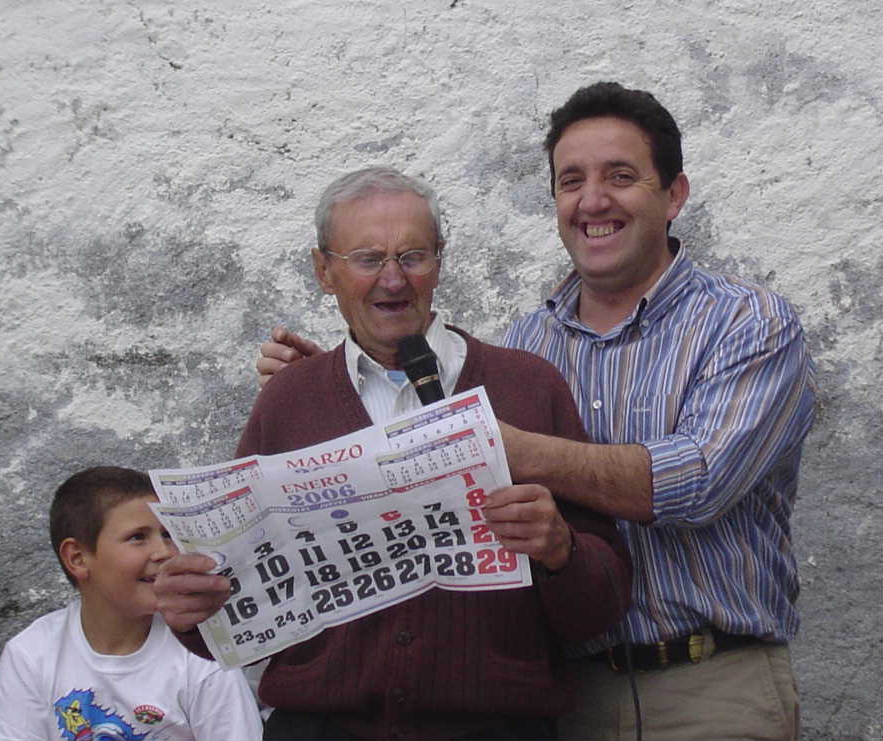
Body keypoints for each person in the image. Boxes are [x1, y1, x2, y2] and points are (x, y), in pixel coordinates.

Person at [255, 84, 816, 741]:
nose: (592, 199)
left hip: (705, 685)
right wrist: (350, 387)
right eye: (570, 180)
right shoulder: (524, 348)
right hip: (567, 696)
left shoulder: (746, 321)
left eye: (620, 176)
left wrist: (502, 446)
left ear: (673, 194)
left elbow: (697, 480)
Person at [154, 167, 632, 741]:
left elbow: (603, 603)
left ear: (440, 260)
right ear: (323, 270)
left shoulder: (528, 386)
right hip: (321, 728)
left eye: (412, 256)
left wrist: (562, 550)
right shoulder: (288, 400)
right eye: (366, 258)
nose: (392, 280)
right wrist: (191, 611)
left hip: (497, 728)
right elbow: (237, 605)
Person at [0, 466, 263, 741]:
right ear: (77, 558)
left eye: (168, 535)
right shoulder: (31, 657)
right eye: (137, 537)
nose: (164, 552)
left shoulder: (201, 656)